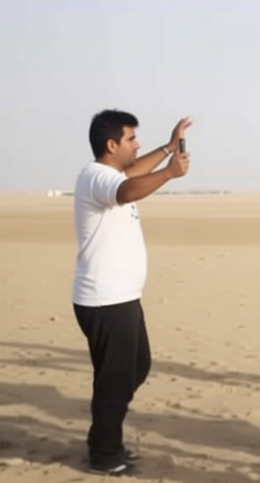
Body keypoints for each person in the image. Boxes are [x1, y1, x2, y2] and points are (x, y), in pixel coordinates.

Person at [71, 109, 192, 475]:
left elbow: (132, 174)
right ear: (112, 145)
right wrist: (169, 172)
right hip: (105, 300)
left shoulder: (110, 174)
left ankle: (103, 438)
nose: (137, 145)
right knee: (116, 379)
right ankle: (105, 454)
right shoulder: (98, 177)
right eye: (131, 139)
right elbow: (126, 190)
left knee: (135, 368)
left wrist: (168, 148)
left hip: (121, 297)